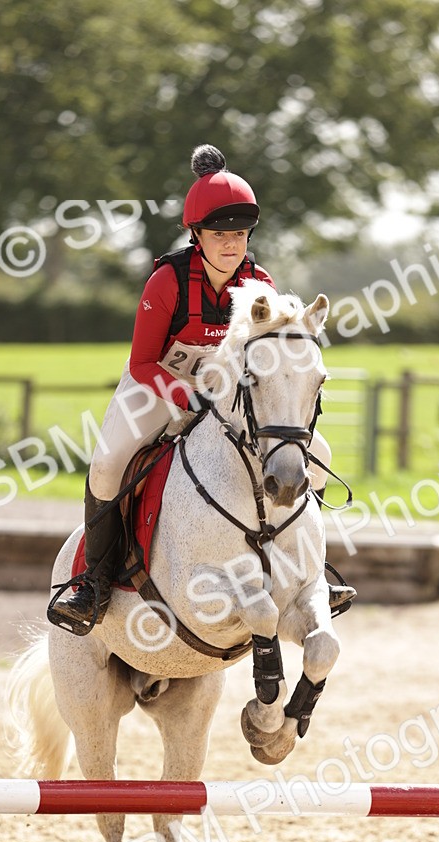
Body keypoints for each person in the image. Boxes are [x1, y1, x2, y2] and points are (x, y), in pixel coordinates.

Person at [48, 143, 351, 636]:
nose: (231, 245)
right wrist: (188, 399)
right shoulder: (167, 281)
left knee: (314, 454)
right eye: (218, 234)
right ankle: (93, 583)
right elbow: (142, 361)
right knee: (108, 464)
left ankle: (311, 572)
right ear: (197, 235)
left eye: (239, 234)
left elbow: (267, 361)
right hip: (157, 385)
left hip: (221, 392)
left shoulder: (259, 283)